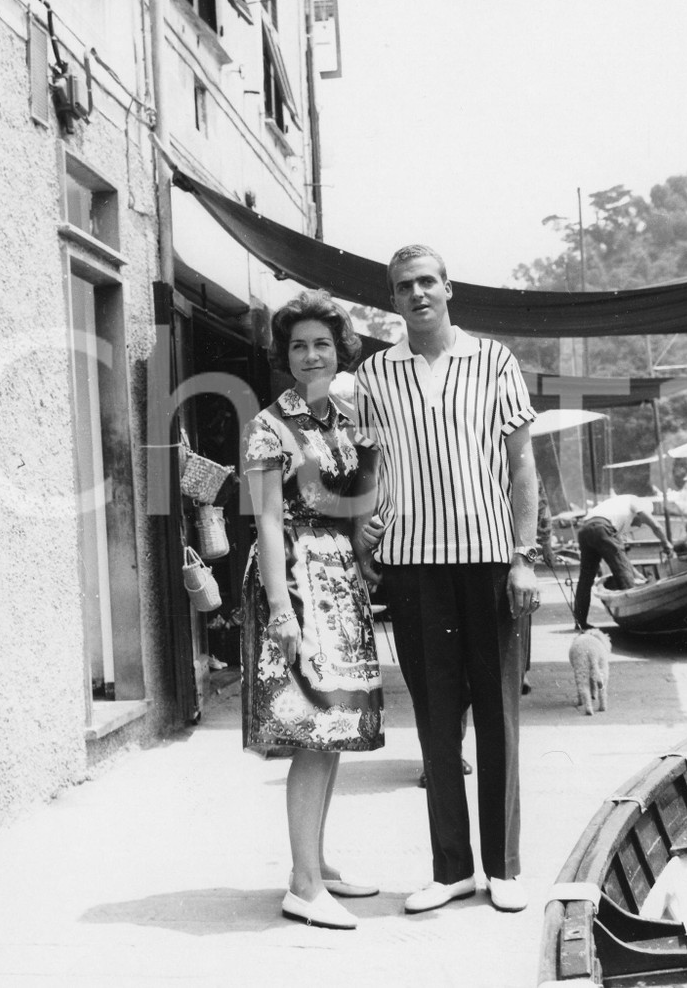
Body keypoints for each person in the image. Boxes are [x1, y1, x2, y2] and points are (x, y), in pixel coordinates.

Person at [354, 244, 539, 915]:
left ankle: (506, 866)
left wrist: (524, 554)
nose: (417, 293)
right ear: (394, 297)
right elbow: (371, 468)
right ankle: (452, 866)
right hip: (411, 562)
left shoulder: (494, 360)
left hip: (490, 557)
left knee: (498, 716)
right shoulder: (374, 372)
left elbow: (522, 465)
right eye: (404, 285)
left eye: (427, 280)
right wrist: (364, 527)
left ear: (448, 287)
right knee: (435, 723)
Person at [240, 290, 384, 931]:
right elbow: (268, 521)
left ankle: (315, 863)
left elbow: (357, 497)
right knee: (313, 728)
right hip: (295, 583)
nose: (310, 355)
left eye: (321, 344)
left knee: (334, 729)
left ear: (339, 350)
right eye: (298, 345)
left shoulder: (341, 421)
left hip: (338, 581)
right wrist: (280, 613)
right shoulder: (268, 426)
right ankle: (301, 884)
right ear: (285, 355)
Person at [573, 494, 674, 630]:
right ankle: (637, 621)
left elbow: (622, 558)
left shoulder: (618, 511)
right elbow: (656, 527)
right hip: (601, 528)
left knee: (585, 579)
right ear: (640, 514)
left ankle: (580, 622)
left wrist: (637, 574)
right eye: (641, 521)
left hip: (585, 529)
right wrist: (666, 543)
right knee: (623, 574)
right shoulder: (637, 502)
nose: (639, 524)